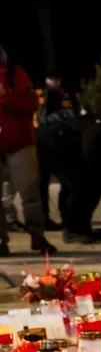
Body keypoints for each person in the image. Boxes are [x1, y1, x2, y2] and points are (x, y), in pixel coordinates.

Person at [0, 44, 57, 256]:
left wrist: (5, 96)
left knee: (30, 192)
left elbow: (31, 103)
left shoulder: (15, 73)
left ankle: (37, 236)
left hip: (19, 143)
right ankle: (1, 241)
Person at [36, 72, 78, 231]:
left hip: (62, 143)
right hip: (41, 142)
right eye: (51, 79)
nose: (54, 82)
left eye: (57, 79)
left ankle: (67, 218)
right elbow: (39, 117)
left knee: (67, 182)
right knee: (41, 184)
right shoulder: (40, 95)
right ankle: (44, 218)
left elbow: (73, 114)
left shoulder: (65, 95)